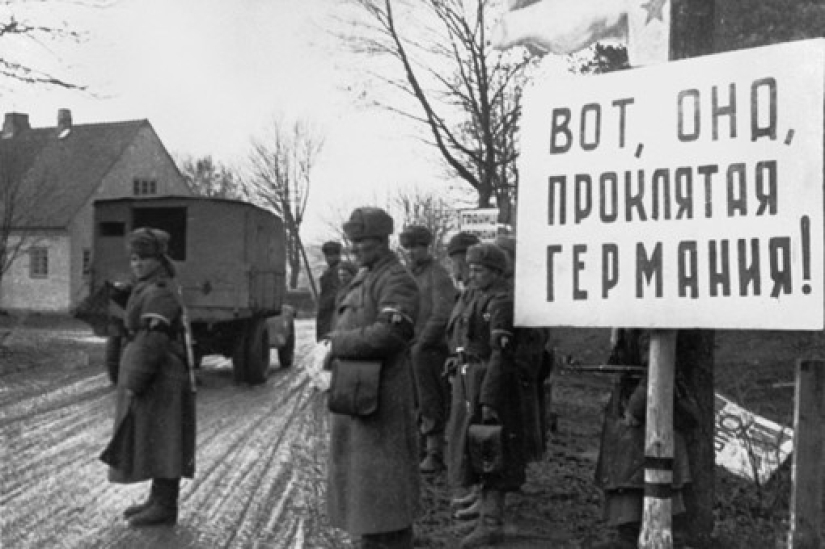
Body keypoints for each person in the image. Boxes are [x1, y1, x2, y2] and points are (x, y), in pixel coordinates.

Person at [325, 207, 421, 549]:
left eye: (363, 243)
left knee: (384, 485)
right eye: (354, 243)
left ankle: (388, 540)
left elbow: (390, 335)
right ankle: (370, 537)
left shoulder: (396, 279)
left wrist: (339, 345)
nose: (356, 250)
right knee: (365, 482)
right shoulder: (364, 277)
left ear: (382, 241)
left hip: (383, 397)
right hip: (358, 392)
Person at [101, 227, 196, 527]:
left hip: (162, 376)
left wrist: (135, 380)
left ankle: (166, 506)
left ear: (158, 259)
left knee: (165, 440)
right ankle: (157, 499)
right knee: (155, 438)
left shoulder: (160, 291)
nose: (137, 263)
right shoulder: (149, 286)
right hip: (157, 376)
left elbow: (153, 340)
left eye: (144, 258)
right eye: (133, 258)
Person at [445, 243, 525, 548]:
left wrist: (489, 398)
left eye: (479, 270)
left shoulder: (501, 302)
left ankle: (492, 523)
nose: (472, 274)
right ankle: (482, 505)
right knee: (475, 445)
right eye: (472, 268)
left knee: (490, 446)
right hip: (473, 378)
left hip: (492, 383)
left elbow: (500, 356)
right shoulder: (480, 296)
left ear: (495, 272)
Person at [593, 328, 695, 549]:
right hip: (638, 410)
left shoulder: (646, 320)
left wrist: (635, 407)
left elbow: (656, 367)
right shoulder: (628, 326)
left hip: (648, 415)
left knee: (641, 489)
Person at [399, 225, 456, 474]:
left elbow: (442, 314)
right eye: (408, 247)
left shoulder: (438, 275)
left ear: (427, 247)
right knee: (411, 399)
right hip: (409, 347)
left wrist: (422, 343)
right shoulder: (408, 276)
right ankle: (417, 447)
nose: (412, 252)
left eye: (417, 247)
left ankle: (435, 452)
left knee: (430, 399)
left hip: (431, 349)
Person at [494, 235, 553, 461]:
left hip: (523, 360)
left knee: (521, 417)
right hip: (509, 358)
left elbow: (538, 329)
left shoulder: (526, 287)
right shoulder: (501, 285)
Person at [443, 231, 482, 516]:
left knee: (477, 434)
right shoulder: (467, 292)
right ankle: (477, 493)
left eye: (456, 260)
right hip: (463, 369)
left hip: (476, 372)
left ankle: (483, 498)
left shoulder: (478, 292)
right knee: (464, 434)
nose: (454, 267)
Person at [316, 240, 343, 341]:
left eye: (331, 255)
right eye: (327, 256)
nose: (328, 259)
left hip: (333, 313)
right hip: (325, 313)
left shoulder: (339, 271)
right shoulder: (328, 271)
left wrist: (325, 303)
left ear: (338, 255)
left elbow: (338, 291)